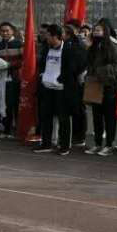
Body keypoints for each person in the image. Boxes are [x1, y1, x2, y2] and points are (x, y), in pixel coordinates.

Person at [84, 18, 117, 155]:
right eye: (94, 30)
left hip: (108, 86)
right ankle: (97, 143)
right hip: (95, 86)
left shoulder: (111, 46)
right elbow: (89, 63)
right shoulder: (93, 47)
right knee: (97, 116)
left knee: (109, 117)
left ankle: (109, 144)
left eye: (99, 30)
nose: (96, 32)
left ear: (105, 32)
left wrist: (100, 71)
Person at [35, 24, 71, 154]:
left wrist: (62, 80)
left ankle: (64, 146)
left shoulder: (68, 49)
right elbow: (42, 64)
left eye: (48, 35)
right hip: (47, 87)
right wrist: (42, 76)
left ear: (55, 36)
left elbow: (73, 67)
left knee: (63, 118)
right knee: (46, 117)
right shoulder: (46, 49)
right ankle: (46, 143)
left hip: (61, 89)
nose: (45, 37)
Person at [0, 23, 23, 137]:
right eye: (2, 31)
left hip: (15, 79)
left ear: (12, 31)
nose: (4, 33)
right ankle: (6, 129)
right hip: (2, 79)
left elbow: (23, 61)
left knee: (13, 105)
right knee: (3, 104)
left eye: (7, 31)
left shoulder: (19, 44)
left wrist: (9, 65)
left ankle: (15, 130)